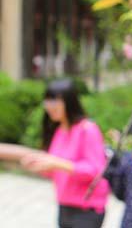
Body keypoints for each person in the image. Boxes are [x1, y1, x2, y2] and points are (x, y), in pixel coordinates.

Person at [21, 78, 110, 228]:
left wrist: (56, 163)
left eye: (54, 101)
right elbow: (56, 171)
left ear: (69, 102)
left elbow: (95, 170)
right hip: (64, 205)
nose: (49, 107)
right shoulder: (59, 130)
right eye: (47, 101)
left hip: (87, 209)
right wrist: (40, 165)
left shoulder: (87, 129)